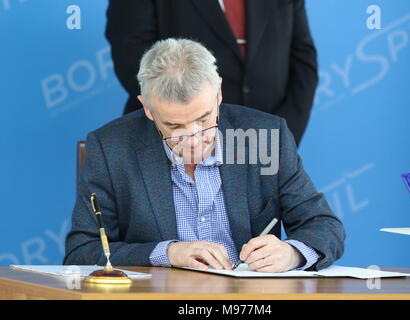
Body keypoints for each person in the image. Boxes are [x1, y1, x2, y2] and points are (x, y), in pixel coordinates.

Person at [63, 39, 344, 272]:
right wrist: (167, 253)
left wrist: (292, 253)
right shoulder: (112, 147)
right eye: (174, 126)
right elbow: (82, 252)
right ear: (147, 108)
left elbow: (324, 226)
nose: (193, 139)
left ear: (218, 92)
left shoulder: (264, 136)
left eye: (204, 119)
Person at [105, 0, 318, 145]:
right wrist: (193, 131)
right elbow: (132, 60)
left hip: (265, 146)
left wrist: (281, 136)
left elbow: (303, 61)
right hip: (176, 145)